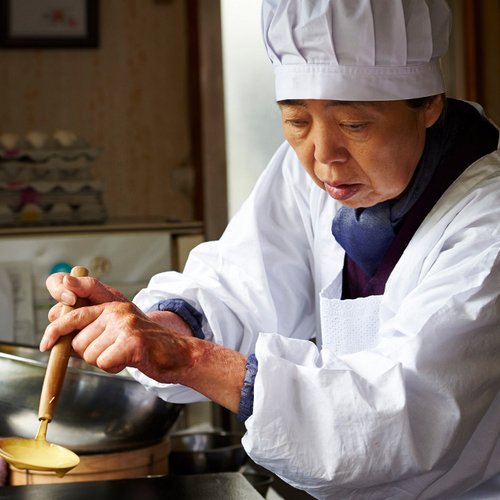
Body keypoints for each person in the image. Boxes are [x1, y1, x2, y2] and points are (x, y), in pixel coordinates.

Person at [41, 0, 500, 498]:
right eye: (297, 121)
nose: (323, 156)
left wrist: (185, 358)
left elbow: (405, 411)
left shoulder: (486, 219)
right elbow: (241, 284)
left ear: (429, 104)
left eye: (354, 124)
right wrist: (159, 330)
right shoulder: (313, 174)